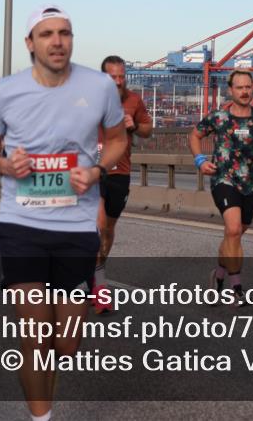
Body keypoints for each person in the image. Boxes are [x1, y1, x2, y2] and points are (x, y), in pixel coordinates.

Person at [0, 5, 127, 421]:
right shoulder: (6, 91)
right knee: (37, 335)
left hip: (76, 227)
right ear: (30, 43)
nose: (57, 41)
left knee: (66, 345)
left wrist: (96, 169)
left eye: (65, 33)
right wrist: (6, 165)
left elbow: (117, 140)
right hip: (19, 224)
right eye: (47, 34)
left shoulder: (99, 87)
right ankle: (41, 417)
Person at [190, 70, 253, 306]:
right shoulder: (218, 117)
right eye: (240, 87)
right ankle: (236, 288)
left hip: (251, 183)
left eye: (248, 87)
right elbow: (195, 135)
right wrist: (199, 160)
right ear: (231, 90)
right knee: (233, 229)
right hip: (223, 179)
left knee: (234, 234)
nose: (245, 91)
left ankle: (217, 275)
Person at [91, 54, 153, 314]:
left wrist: (135, 125)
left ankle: (96, 271)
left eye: (121, 76)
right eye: (112, 77)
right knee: (99, 225)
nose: (118, 81)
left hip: (121, 171)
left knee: (108, 232)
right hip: (92, 170)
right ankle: (100, 289)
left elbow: (148, 129)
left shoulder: (133, 100)